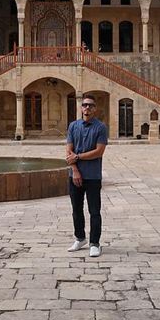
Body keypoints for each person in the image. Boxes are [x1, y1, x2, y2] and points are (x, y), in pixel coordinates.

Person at [65, 94, 108, 257]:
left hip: (92, 175)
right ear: (81, 107)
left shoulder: (100, 127)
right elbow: (68, 151)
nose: (87, 108)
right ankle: (80, 237)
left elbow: (99, 151)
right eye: (84, 105)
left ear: (95, 109)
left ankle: (95, 242)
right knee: (76, 209)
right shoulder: (73, 126)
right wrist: (75, 169)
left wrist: (78, 156)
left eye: (90, 105)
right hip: (75, 175)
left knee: (94, 210)